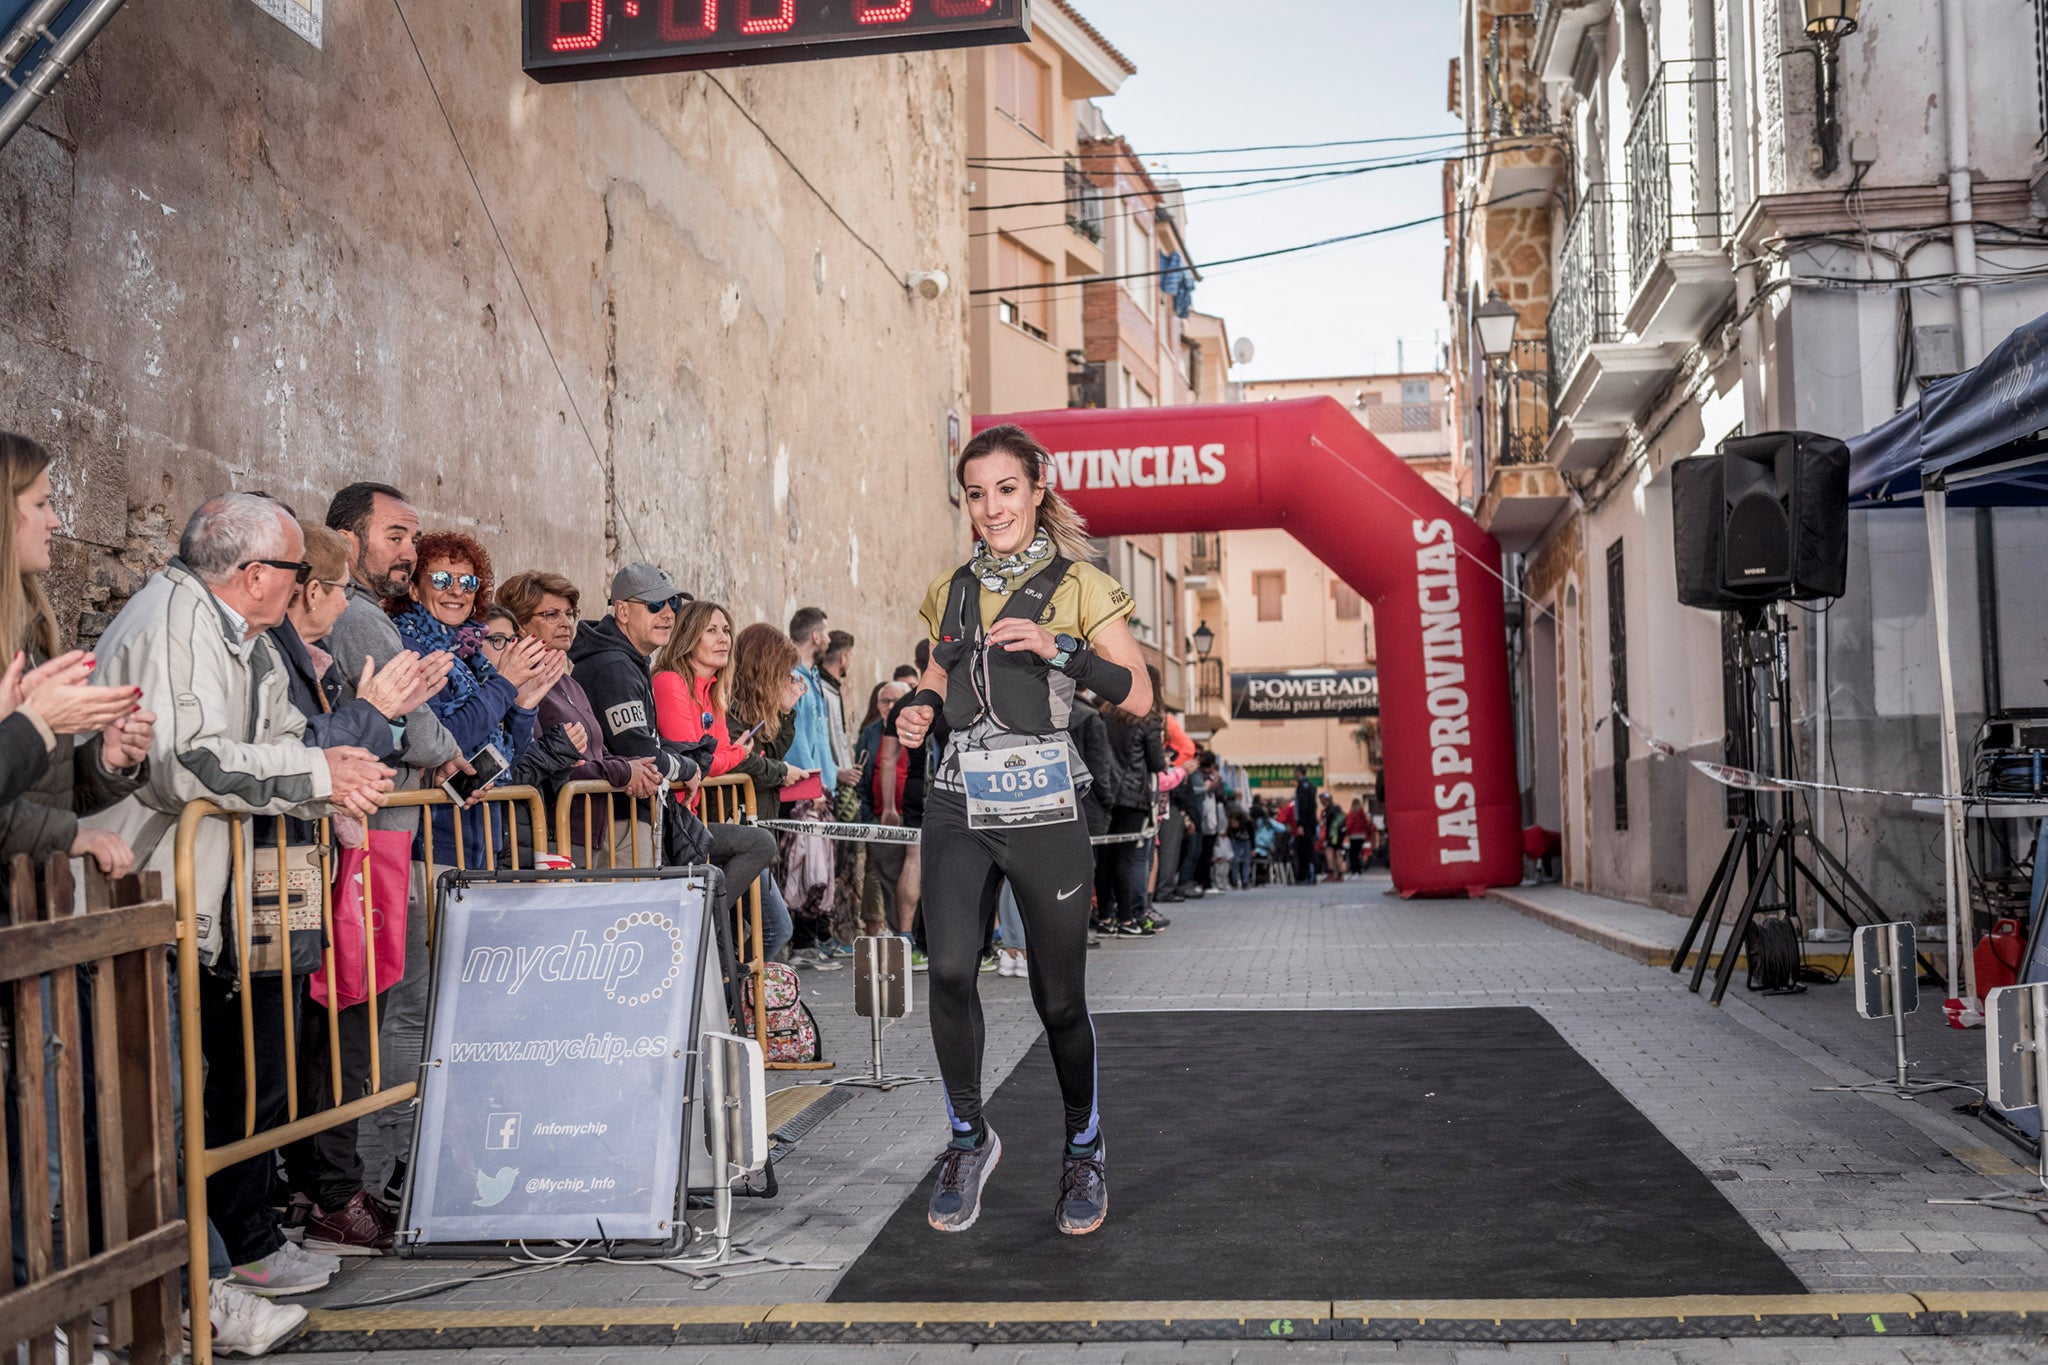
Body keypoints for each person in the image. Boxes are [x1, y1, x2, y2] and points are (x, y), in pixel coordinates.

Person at [85, 493, 395, 1306]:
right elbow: (183, 763)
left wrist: (329, 786)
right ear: (256, 573)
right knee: (150, 1108)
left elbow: (277, 743)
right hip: (141, 889)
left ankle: (210, 1267)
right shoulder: (174, 623)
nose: (304, 587)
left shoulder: (243, 639)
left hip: (196, 903)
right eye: (296, 571)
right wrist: (324, 777)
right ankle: (171, 1286)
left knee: (199, 1097)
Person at [892, 422, 1152, 1237]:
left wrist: (1060, 645)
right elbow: (936, 678)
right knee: (950, 973)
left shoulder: (1081, 584)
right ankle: (969, 1137)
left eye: (1006, 489)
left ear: (1038, 487)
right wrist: (915, 709)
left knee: (1059, 999)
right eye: (976, 494)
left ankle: (1083, 1144)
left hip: (1044, 806)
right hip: (959, 801)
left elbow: (1137, 696)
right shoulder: (952, 589)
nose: (991, 507)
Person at [264, 521, 447, 1255]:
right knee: (329, 1040)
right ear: (308, 589)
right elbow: (317, 750)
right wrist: (377, 716)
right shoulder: (284, 655)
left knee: (329, 1038)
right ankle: (321, 1196)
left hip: (325, 868)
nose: (346, 608)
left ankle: (322, 1186)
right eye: (340, 592)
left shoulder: (299, 655)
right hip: (303, 873)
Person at [322, 481, 462, 1205]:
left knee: (380, 1013)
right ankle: (365, 1179)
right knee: (370, 1018)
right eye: (396, 536)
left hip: (385, 848)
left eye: (413, 537)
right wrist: (432, 741)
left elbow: (428, 726)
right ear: (349, 541)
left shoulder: (375, 617)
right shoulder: (362, 619)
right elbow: (426, 730)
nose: (411, 551)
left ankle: (358, 1177)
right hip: (367, 851)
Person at [570, 565, 774, 921]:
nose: (667, 614)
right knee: (631, 925)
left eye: (673, 605)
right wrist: (689, 766)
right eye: (654, 605)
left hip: (643, 814)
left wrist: (690, 759)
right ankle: (701, 935)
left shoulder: (632, 662)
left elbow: (690, 747)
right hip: (620, 816)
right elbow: (643, 751)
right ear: (622, 610)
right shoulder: (616, 668)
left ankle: (710, 948)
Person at [390, 531, 559, 869]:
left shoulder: (470, 656)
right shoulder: (409, 646)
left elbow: (506, 759)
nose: (456, 591)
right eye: (441, 579)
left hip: (480, 838)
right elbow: (442, 738)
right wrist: (505, 683)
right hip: (431, 843)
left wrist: (523, 708)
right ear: (413, 588)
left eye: (467, 582)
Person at [648, 599, 785, 997]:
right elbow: (699, 759)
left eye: (726, 630)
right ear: (688, 637)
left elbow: (715, 756)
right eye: (712, 630)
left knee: (758, 864)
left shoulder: (713, 691)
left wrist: (725, 756)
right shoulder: (670, 681)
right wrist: (732, 756)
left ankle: (709, 928)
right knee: (758, 843)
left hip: (690, 821)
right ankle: (703, 920)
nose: (723, 638)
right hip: (669, 821)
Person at [495, 570, 657, 861]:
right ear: (520, 625)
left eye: (570, 614)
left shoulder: (570, 683)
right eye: (551, 615)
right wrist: (624, 772)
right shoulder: (521, 685)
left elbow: (598, 751)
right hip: (554, 831)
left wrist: (637, 768)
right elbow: (549, 765)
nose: (566, 623)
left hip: (592, 828)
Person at [724, 621, 821, 969]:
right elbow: (749, 764)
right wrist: (782, 774)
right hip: (739, 834)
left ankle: (735, 992)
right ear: (763, 669)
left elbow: (773, 753)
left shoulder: (753, 711)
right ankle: (734, 991)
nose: (786, 679)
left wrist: (785, 710)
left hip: (755, 834)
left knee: (755, 931)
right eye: (781, 672)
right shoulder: (730, 711)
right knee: (776, 928)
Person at [1095, 689, 1163, 935]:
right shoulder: (1147, 718)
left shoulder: (1102, 714)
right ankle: (1126, 918)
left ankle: (1105, 917)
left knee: (1104, 857)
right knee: (1125, 858)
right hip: (1133, 795)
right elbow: (1156, 762)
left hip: (1103, 793)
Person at [1291, 765, 1319, 885]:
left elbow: (1303, 806)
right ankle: (1309, 874)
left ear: (1299, 772)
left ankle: (1308, 875)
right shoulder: (1312, 785)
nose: (1294, 775)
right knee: (1308, 848)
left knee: (1305, 850)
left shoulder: (1302, 787)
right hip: (1311, 822)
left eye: (1295, 773)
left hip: (1305, 823)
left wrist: (1301, 824)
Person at [1346, 796, 1372, 875]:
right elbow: (1366, 824)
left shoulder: (1351, 813)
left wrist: (1347, 832)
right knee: (1358, 853)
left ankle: (1354, 870)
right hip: (1361, 836)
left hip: (1353, 836)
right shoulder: (1362, 813)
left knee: (1352, 854)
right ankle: (1359, 869)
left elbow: (1349, 824)